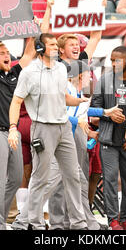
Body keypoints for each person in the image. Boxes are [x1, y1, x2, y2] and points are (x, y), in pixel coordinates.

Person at [8, 33, 89, 230]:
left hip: (64, 128)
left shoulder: (62, 68)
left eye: (55, 44)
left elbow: (62, 97)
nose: (56, 47)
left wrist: (79, 101)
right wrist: (12, 128)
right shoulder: (29, 72)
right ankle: (34, 223)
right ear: (40, 48)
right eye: (51, 45)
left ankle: (79, 224)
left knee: (73, 176)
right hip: (42, 128)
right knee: (40, 178)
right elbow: (16, 101)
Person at [0, 15, 36, 230]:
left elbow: (30, 51)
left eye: (7, 52)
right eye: (1, 53)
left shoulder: (15, 74)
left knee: (16, 178)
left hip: (14, 133)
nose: (7, 55)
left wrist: (38, 21)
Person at [90, 46, 126, 230]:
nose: (112, 64)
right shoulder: (104, 80)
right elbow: (94, 111)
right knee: (109, 179)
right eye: (111, 60)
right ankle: (113, 220)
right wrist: (108, 115)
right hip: (108, 140)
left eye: (116, 60)